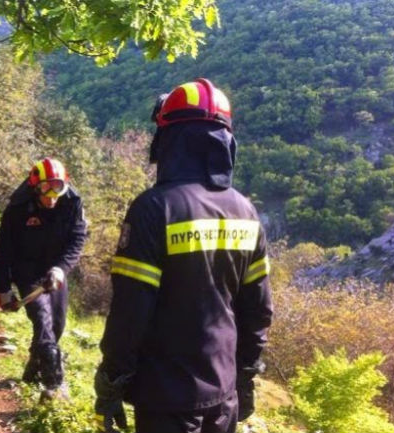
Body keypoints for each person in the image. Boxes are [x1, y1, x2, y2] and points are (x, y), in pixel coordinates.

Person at [93, 78, 273, 433]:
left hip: (165, 398)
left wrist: (112, 381)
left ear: (170, 140)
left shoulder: (154, 209)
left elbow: (131, 311)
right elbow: (258, 310)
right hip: (224, 393)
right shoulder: (246, 212)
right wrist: (246, 375)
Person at [0, 158, 87, 400]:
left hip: (55, 269)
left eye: (58, 188)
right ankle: (54, 385)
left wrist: (61, 268)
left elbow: (77, 239)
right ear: (36, 187)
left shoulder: (73, 202)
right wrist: (4, 290)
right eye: (46, 189)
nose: (52, 196)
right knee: (43, 321)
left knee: (57, 324)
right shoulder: (18, 207)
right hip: (26, 269)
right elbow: (3, 250)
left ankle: (32, 372)